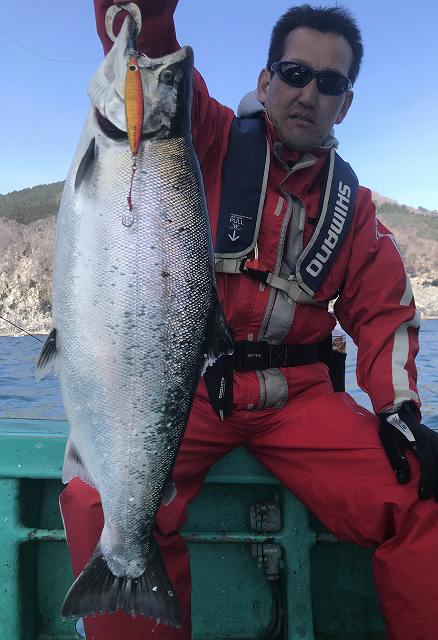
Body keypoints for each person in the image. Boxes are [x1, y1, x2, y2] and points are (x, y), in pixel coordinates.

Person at [60, 2, 438, 639]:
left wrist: (400, 410)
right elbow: (152, 61)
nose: (308, 93)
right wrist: (143, 14)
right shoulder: (205, 135)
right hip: (187, 391)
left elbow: (386, 317)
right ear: (265, 82)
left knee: (424, 491)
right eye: (294, 72)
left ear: (345, 104)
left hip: (301, 402)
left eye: (331, 82)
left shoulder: (359, 212)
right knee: (102, 498)